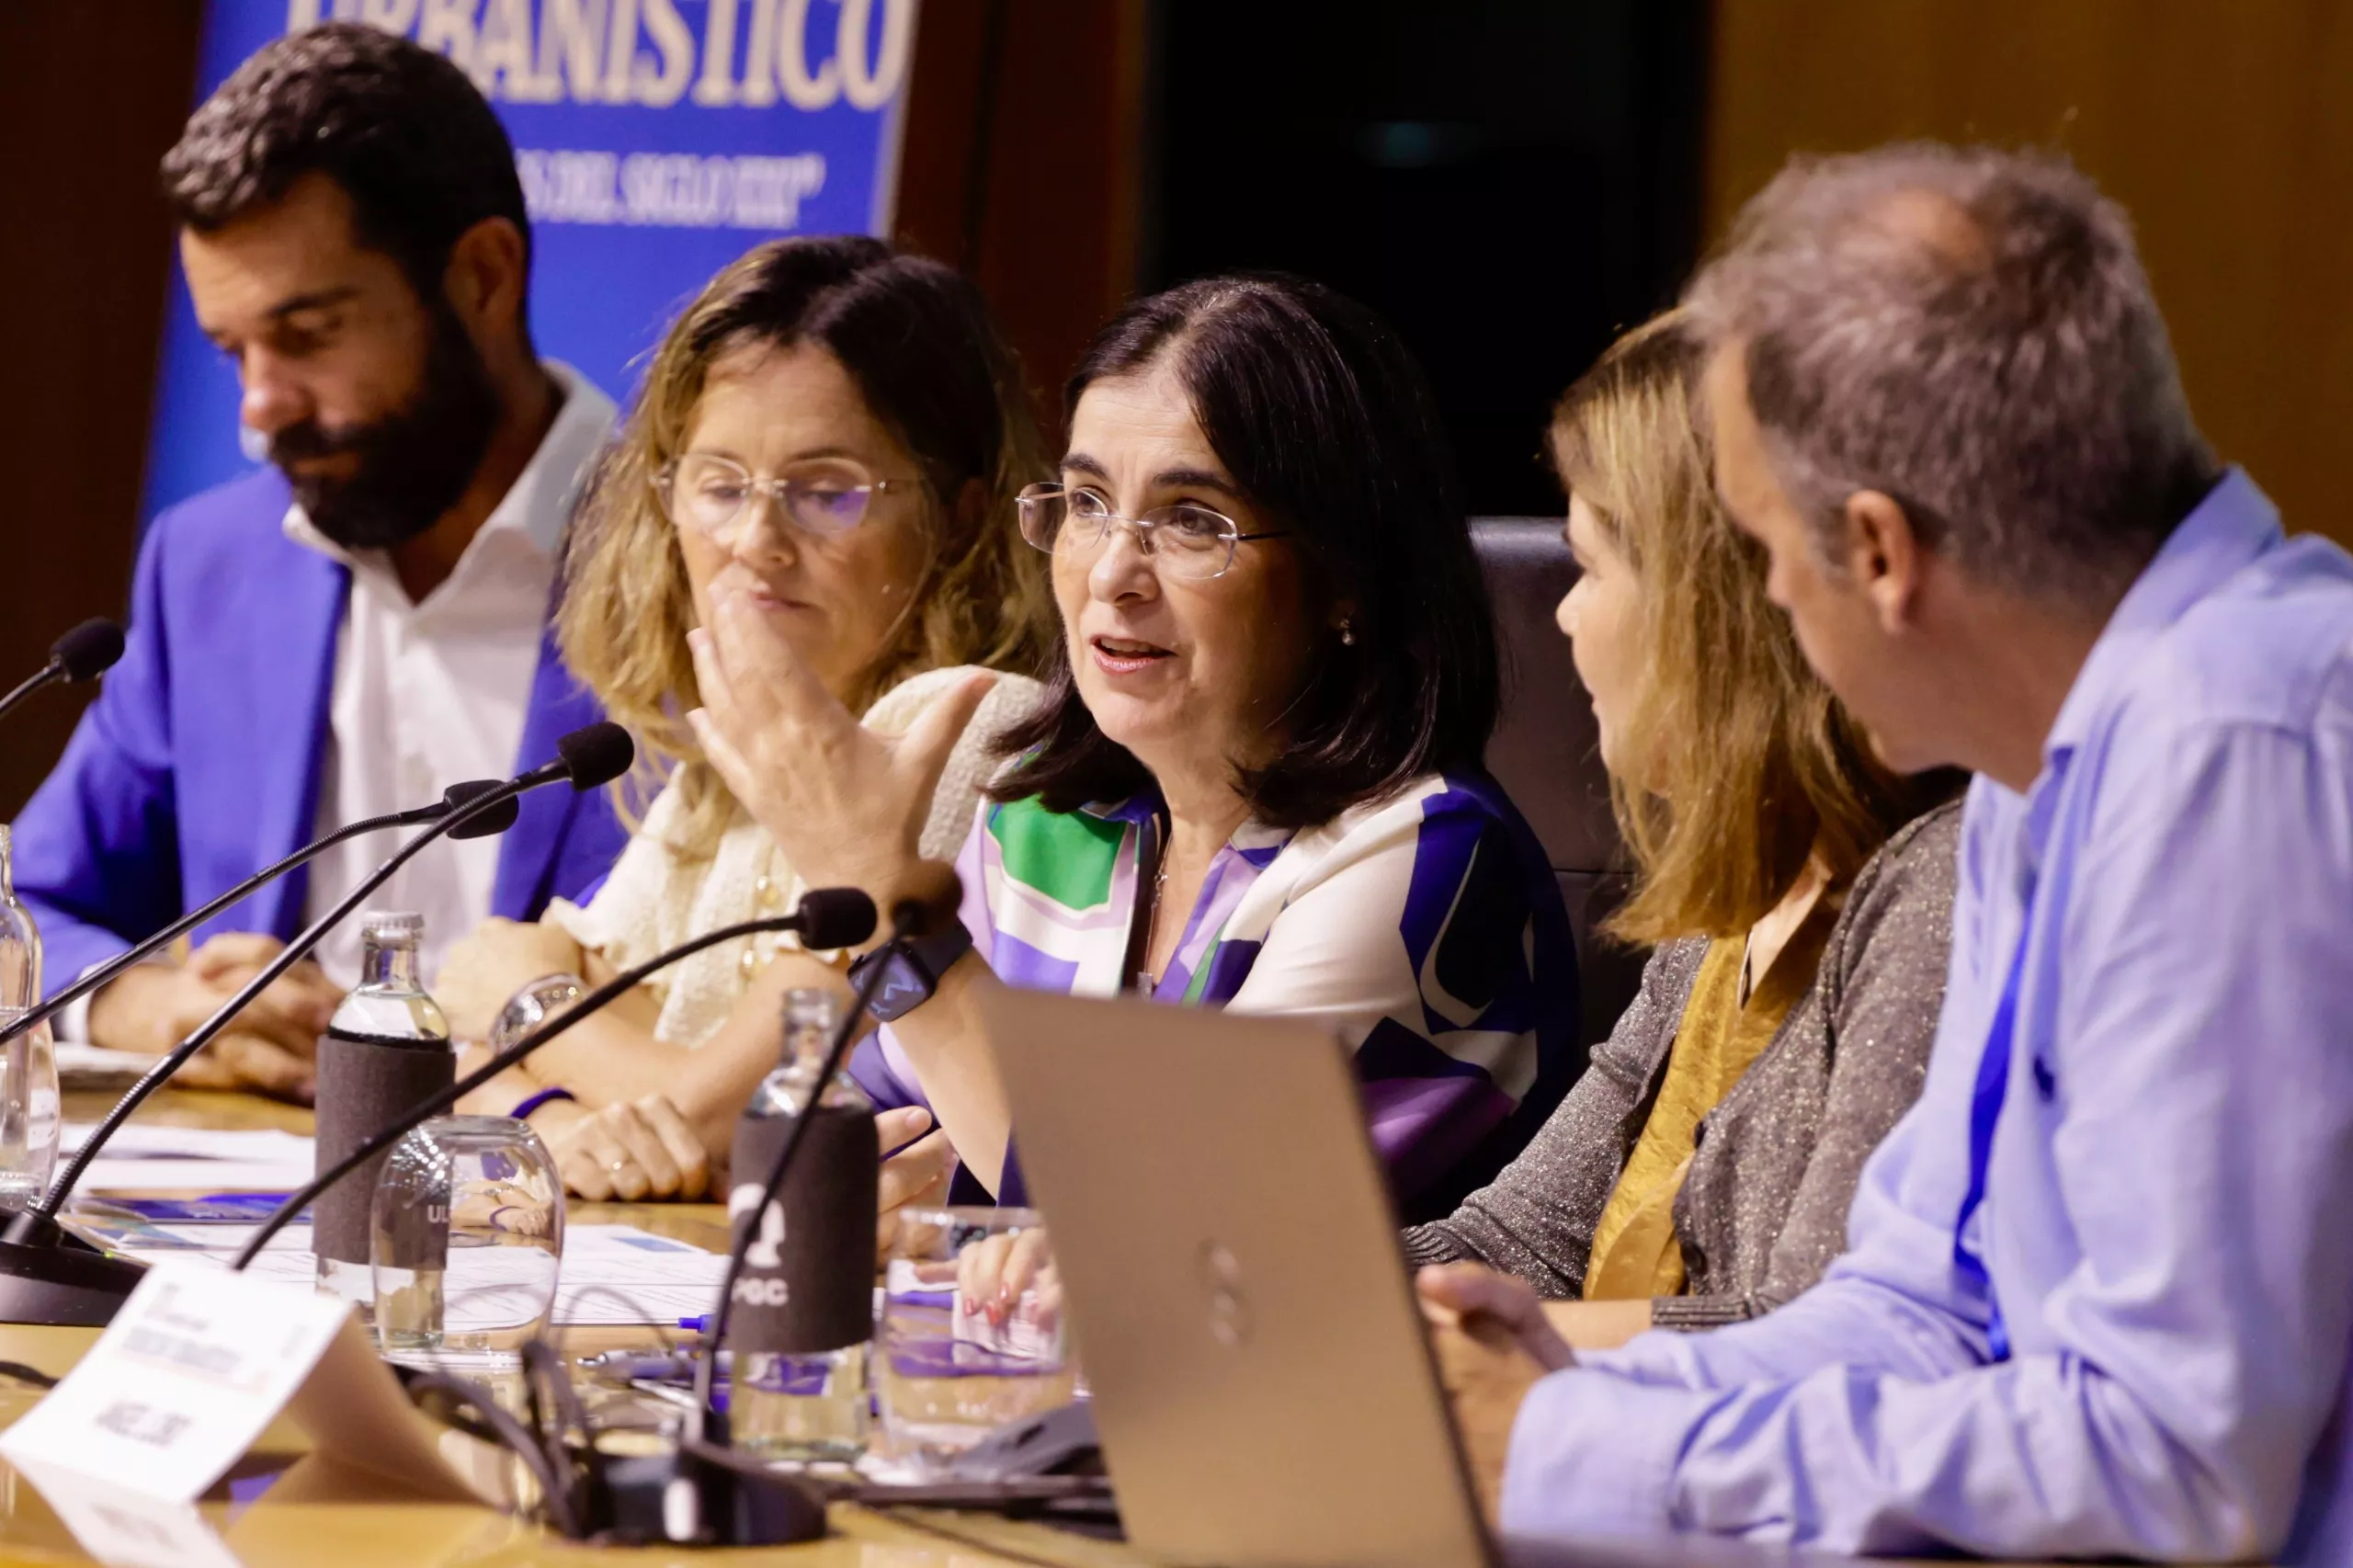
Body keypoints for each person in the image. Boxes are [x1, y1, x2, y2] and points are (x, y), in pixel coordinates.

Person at [1422, 142, 2353, 1562]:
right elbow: (1913, 1313)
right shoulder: (2051, 765)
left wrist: (1571, 1445)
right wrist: (1545, 1386)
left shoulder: (2232, 739)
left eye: (1760, 546)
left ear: (1876, 550)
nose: (1765, 607)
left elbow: (2174, 1456)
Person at [688, 274, 1582, 1221]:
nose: (1112, 571)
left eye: (1192, 518)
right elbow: (868, 1122)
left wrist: (885, 903)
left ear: (1345, 578)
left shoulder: (1424, 860)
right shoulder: (1044, 822)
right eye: (1085, 502)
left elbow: (1151, 1231)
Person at [14, 24, 626, 1098]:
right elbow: (26, 903)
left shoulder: (714, 568)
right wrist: (147, 1000)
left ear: (482, 277)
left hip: (590, 1223)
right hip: (253, 1210)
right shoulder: (212, 565)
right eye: (232, 350)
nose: (260, 407)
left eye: (307, 334)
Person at [435, 236, 1051, 1207]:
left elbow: (715, 1105)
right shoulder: (731, 755)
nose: (755, 542)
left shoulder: (960, 724)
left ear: (959, 517)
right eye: (720, 486)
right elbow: (470, 1058)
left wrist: (532, 1006)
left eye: (825, 492)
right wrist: (563, 1116)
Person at [1402, 312, 1960, 1347]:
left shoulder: (1938, 888)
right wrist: (1248, 1290)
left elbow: (1811, 1343)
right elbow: (1518, 1241)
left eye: (1592, 565)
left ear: (1717, 606)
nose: (1563, 616)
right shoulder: (1735, 891)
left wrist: (1415, 1336)